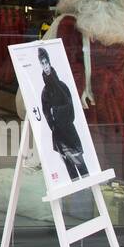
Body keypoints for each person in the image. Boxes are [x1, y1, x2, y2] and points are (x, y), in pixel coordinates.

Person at [38, 46, 88, 181]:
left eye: (46, 62)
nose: (45, 66)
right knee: (68, 164)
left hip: (69, 131)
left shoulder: (62, 85)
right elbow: (46, 112)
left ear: (49, 62)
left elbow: (71, 110)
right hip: (58, 134)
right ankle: (77, 193)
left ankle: (87, 191)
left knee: (80, 162)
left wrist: (56, 112)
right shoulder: (45, 92)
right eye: (42, 63)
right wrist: (53, 121)